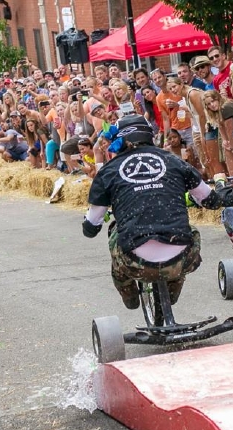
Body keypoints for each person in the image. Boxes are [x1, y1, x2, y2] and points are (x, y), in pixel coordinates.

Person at [81, 116, 218, 309]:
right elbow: (209, 199)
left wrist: (89, 223)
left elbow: (91, 227)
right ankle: (173, 284)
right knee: (190, 232)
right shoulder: (174, 160)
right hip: (181, 257)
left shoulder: (108, 171)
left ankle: (128, 293)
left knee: (114, 232)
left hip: (135, 262)